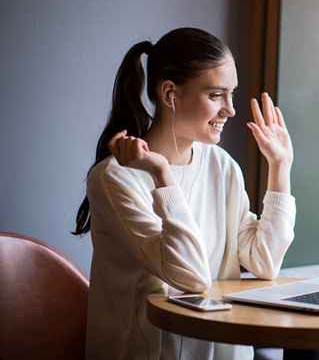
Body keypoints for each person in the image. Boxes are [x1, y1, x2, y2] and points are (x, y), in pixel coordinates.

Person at [72, 27, 296, 360]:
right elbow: (190, 276)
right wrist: (162, 174)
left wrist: (280, 167)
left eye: (231, 94)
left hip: (222, 348)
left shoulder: (221, 165)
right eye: (216, 95)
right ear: (169, 94)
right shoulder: (115, 179)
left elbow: (264, 261)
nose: (231, 110)